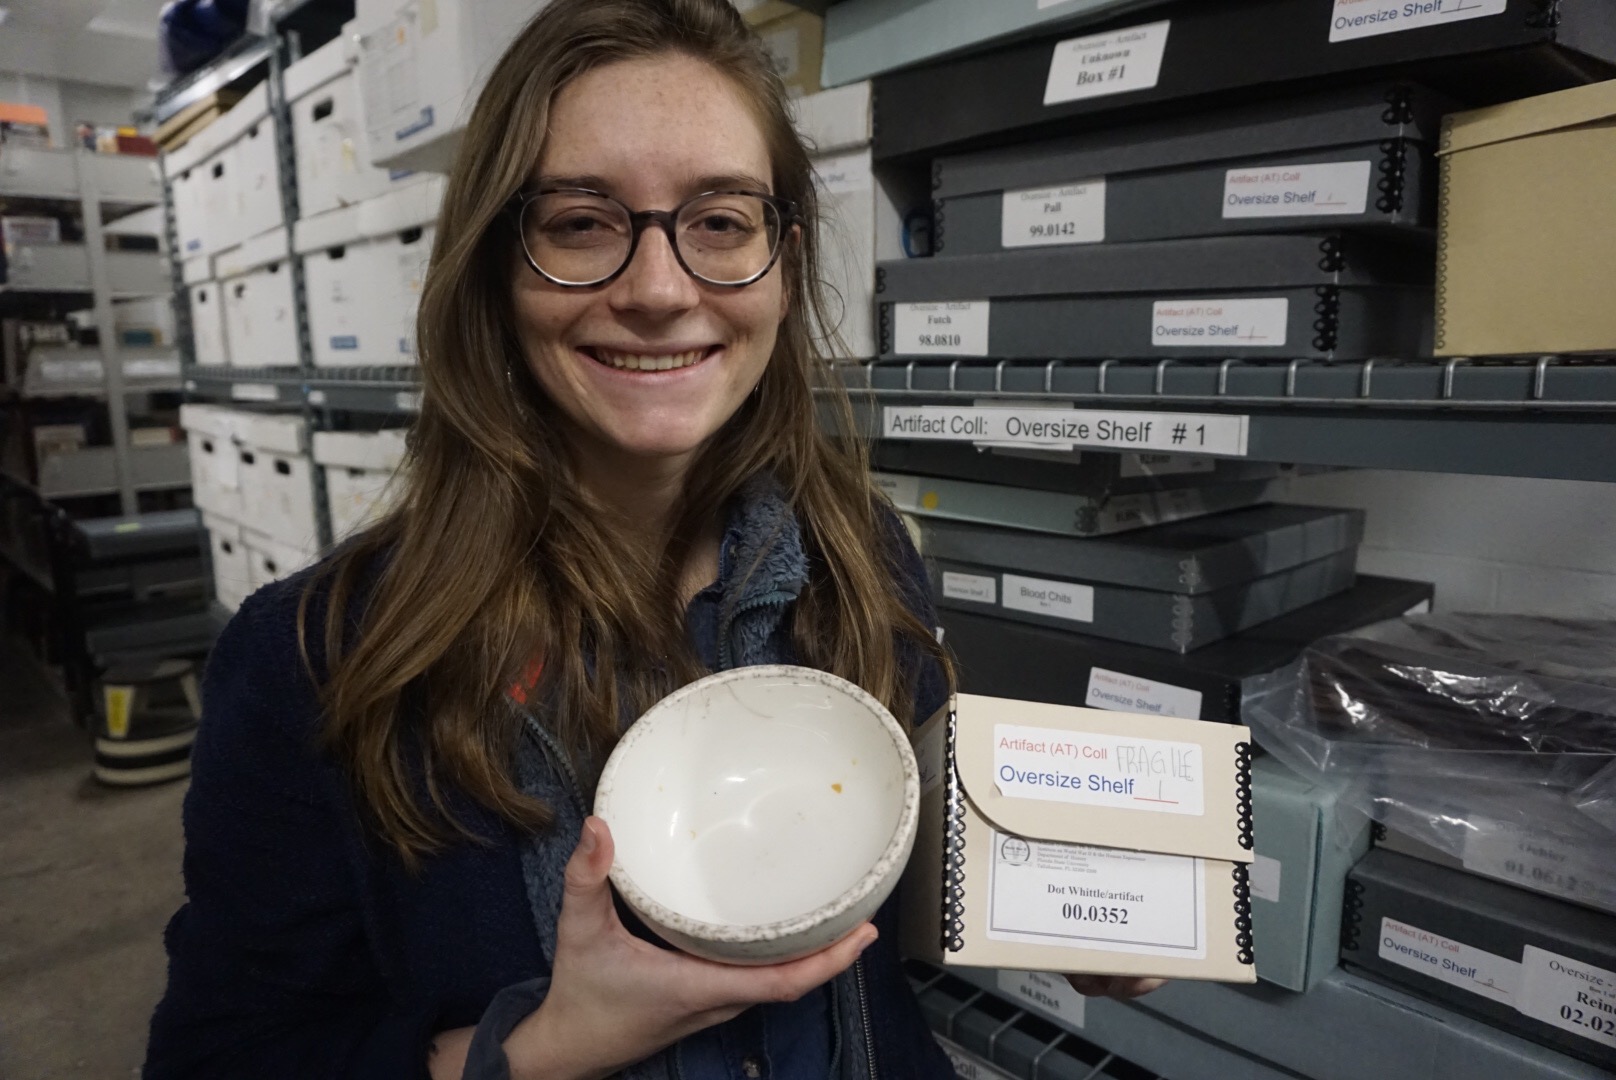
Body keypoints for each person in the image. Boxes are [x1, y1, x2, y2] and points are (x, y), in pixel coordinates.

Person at [144, 2, 1158, 1077]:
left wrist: (1053, 898)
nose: (660, 291)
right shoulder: (315, 658)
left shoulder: (858, 556)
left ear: (782, 260)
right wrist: (542, 1047)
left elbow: (869, 888)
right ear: (494, 264)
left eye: (720, 222)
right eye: (580, 223)